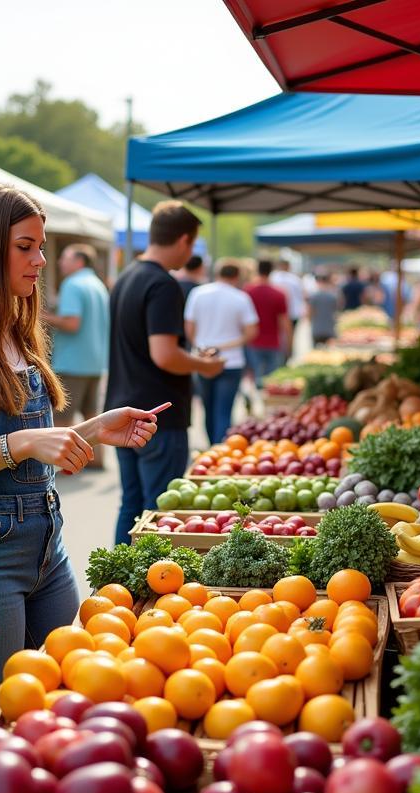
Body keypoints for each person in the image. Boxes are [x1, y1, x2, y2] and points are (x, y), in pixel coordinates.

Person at [0, 185, 161, 745]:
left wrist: (91, 430)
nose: (41, 262)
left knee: (57, 708)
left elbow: (33, 443)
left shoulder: (12, 323)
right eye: (27, 247)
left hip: (46, 546)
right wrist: (24, 444)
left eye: (42, 247)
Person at [107, 201, 224, 544]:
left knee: (131, 503)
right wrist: (205, 365)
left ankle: (121, 583)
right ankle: (147, 586)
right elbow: (164, 355)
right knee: (159, 511)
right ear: (185, 240)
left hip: (122, 407)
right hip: (157, 415)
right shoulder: (163, 284)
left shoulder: (127, 276)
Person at [42, 243, 110, 469]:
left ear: (79, 261)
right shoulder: (98, 284)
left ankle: (63, 464)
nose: (60, 262)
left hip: (72, 361)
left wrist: (42, 317)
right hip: (95, 361)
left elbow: (72, 323)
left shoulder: (72, 284)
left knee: (62, 417)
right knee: (92, 416)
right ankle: (96, 460)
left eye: (65, 257)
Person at [184, 259, 258, 444]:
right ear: (236, 276)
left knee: (207, 409)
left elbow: (189, 328)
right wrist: (230, 344)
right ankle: (220, 449)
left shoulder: (198, 293)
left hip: (203, 360)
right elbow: (251, 331)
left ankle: (212, 447)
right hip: (231, 361)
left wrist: (201, 346)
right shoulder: (241, 297)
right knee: (224, 410)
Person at [244, 258, 290, 385]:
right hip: (273, 341)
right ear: (271, 271)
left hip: (252, 341)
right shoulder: (279, 293)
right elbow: (284, 321)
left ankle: (256, 399)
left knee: (255, 377)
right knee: (272, 380)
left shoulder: (247, 291)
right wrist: (289, 343)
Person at [271, 258, 305, 344]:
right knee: (290, 334)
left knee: (280, 335)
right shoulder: (294, 279)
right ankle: (288, 352)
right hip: (292, 312)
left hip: (279, 312)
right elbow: (301, 295)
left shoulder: (273, 277)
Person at [307, 273, 339, 346]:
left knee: (317, 353)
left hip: (317, 328)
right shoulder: (333, 296)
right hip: (330, 328)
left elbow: (309, 312)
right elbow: (336, 311)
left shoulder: (314, 296)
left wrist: (311, 322)